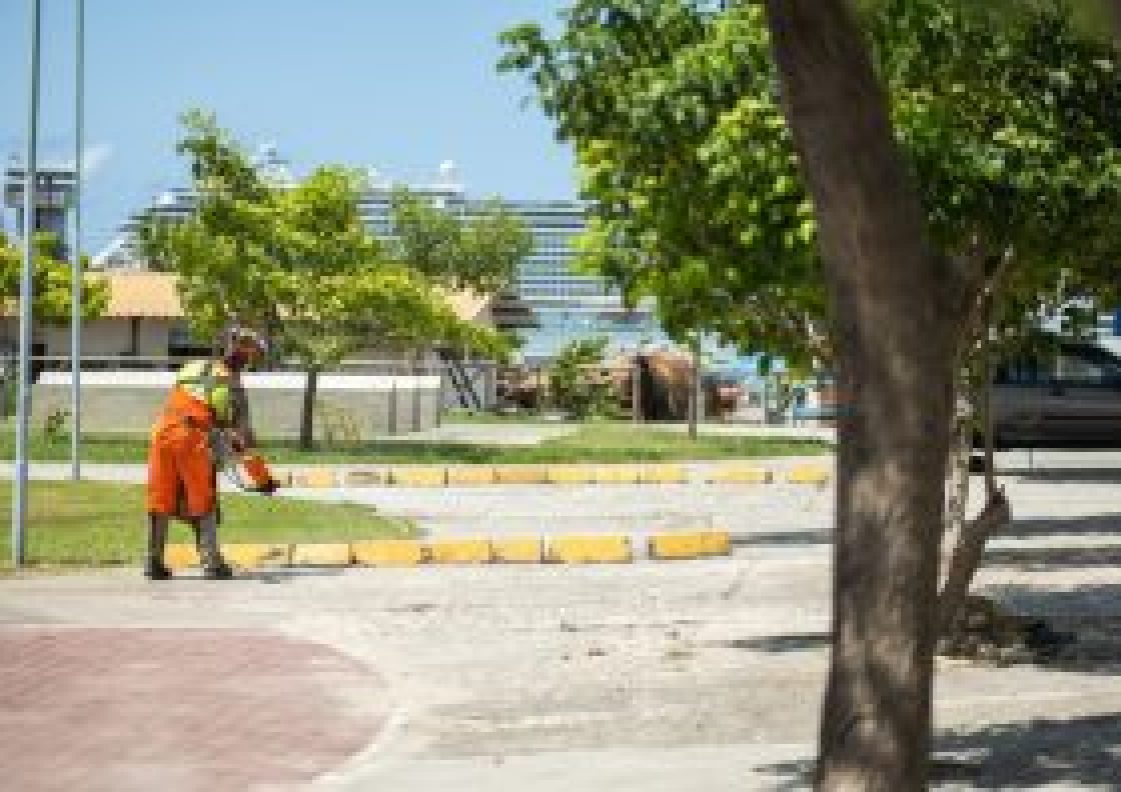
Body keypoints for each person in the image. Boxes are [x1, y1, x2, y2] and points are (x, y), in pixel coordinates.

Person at [144, 327, 274, 580]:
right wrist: (263, 480)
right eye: (252, 356)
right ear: (247, 358)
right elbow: (244, 441)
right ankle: (212, 563)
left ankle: (153, 562)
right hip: (191, 440)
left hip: (161, 435)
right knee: (203, 498)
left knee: (160, 498)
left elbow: (190, 405)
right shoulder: (234, 386)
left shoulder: (193, 367)